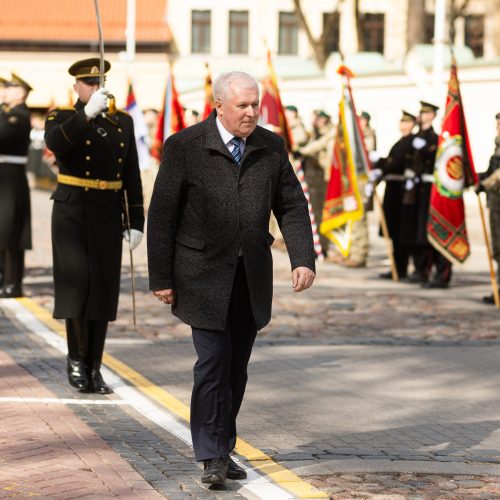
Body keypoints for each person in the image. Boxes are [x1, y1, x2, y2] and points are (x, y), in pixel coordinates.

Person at [147, 71, 316, 485]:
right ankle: (211, 454)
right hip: (200, 275)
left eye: (255, 104)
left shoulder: (270, 146)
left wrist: (303, 258)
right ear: (219, 105)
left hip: (250, 276)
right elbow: (163, 215)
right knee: (212, 363)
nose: (251, 112)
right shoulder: (185, 146)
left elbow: (291, 204)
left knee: (236, 368)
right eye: (242, 105)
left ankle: (223, 446)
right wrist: (161, 277)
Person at [44, 58, 144, 394]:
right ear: (77, 87)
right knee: (78, 286)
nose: (94, 88)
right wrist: (86, 115)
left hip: (106, 212)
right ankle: (76, 360)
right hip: (72, 211)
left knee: (101, 289)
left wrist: (136, 221)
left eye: (98, 83)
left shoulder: (123, 123)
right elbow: (57, 144)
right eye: (88, 84)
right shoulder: (62, 116)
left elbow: (131, 174)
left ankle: (94, 366)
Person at [404, 101, 452, 287]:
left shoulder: (435, 137)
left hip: (432, 190)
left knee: (433, 230)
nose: (422, 116)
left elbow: (435, 158)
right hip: (416, 189)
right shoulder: (417, 137)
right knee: (418, 232)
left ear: (432, 115)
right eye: (421, 113)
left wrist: (423, 148)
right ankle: (420, 268)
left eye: (426, 113)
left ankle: (438, 272)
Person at [0, 73, 33, 298]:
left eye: (9, 88)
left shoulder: (20, 115)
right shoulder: (7, 113)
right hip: (4, 177)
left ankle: (13, 282)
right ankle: (5, 278)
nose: (5, 91)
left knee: (11, 231)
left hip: (11, 178)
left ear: (20, 93)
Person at [372, 110, 416, 279]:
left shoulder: (412, 142)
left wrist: (380, 163)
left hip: (401, 191)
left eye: (406, 122)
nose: (403, 125)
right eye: (401, 122)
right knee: (393, 232)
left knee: (400, 232)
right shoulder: (400, 142)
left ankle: (401, 268)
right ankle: (396, 267)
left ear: (412, 124)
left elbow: (395, 163)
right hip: (393, 189)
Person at [297, 110, 335, 257]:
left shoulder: (330, 132)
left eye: (317, 118)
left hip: (323, 178)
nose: (314, 121)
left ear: (324, 119)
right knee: (312, 213)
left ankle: (322, 246)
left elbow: (318, 146)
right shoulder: (314, 132)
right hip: (312, 178)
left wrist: (302, 151)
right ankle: (315, 245)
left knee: (321, 213)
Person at [478, 112, 500, 304]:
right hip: (495, 202)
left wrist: (485, 184)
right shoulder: (497, 145)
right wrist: (478, 177)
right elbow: (492, 170)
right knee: (498, 247)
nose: (498, 128)